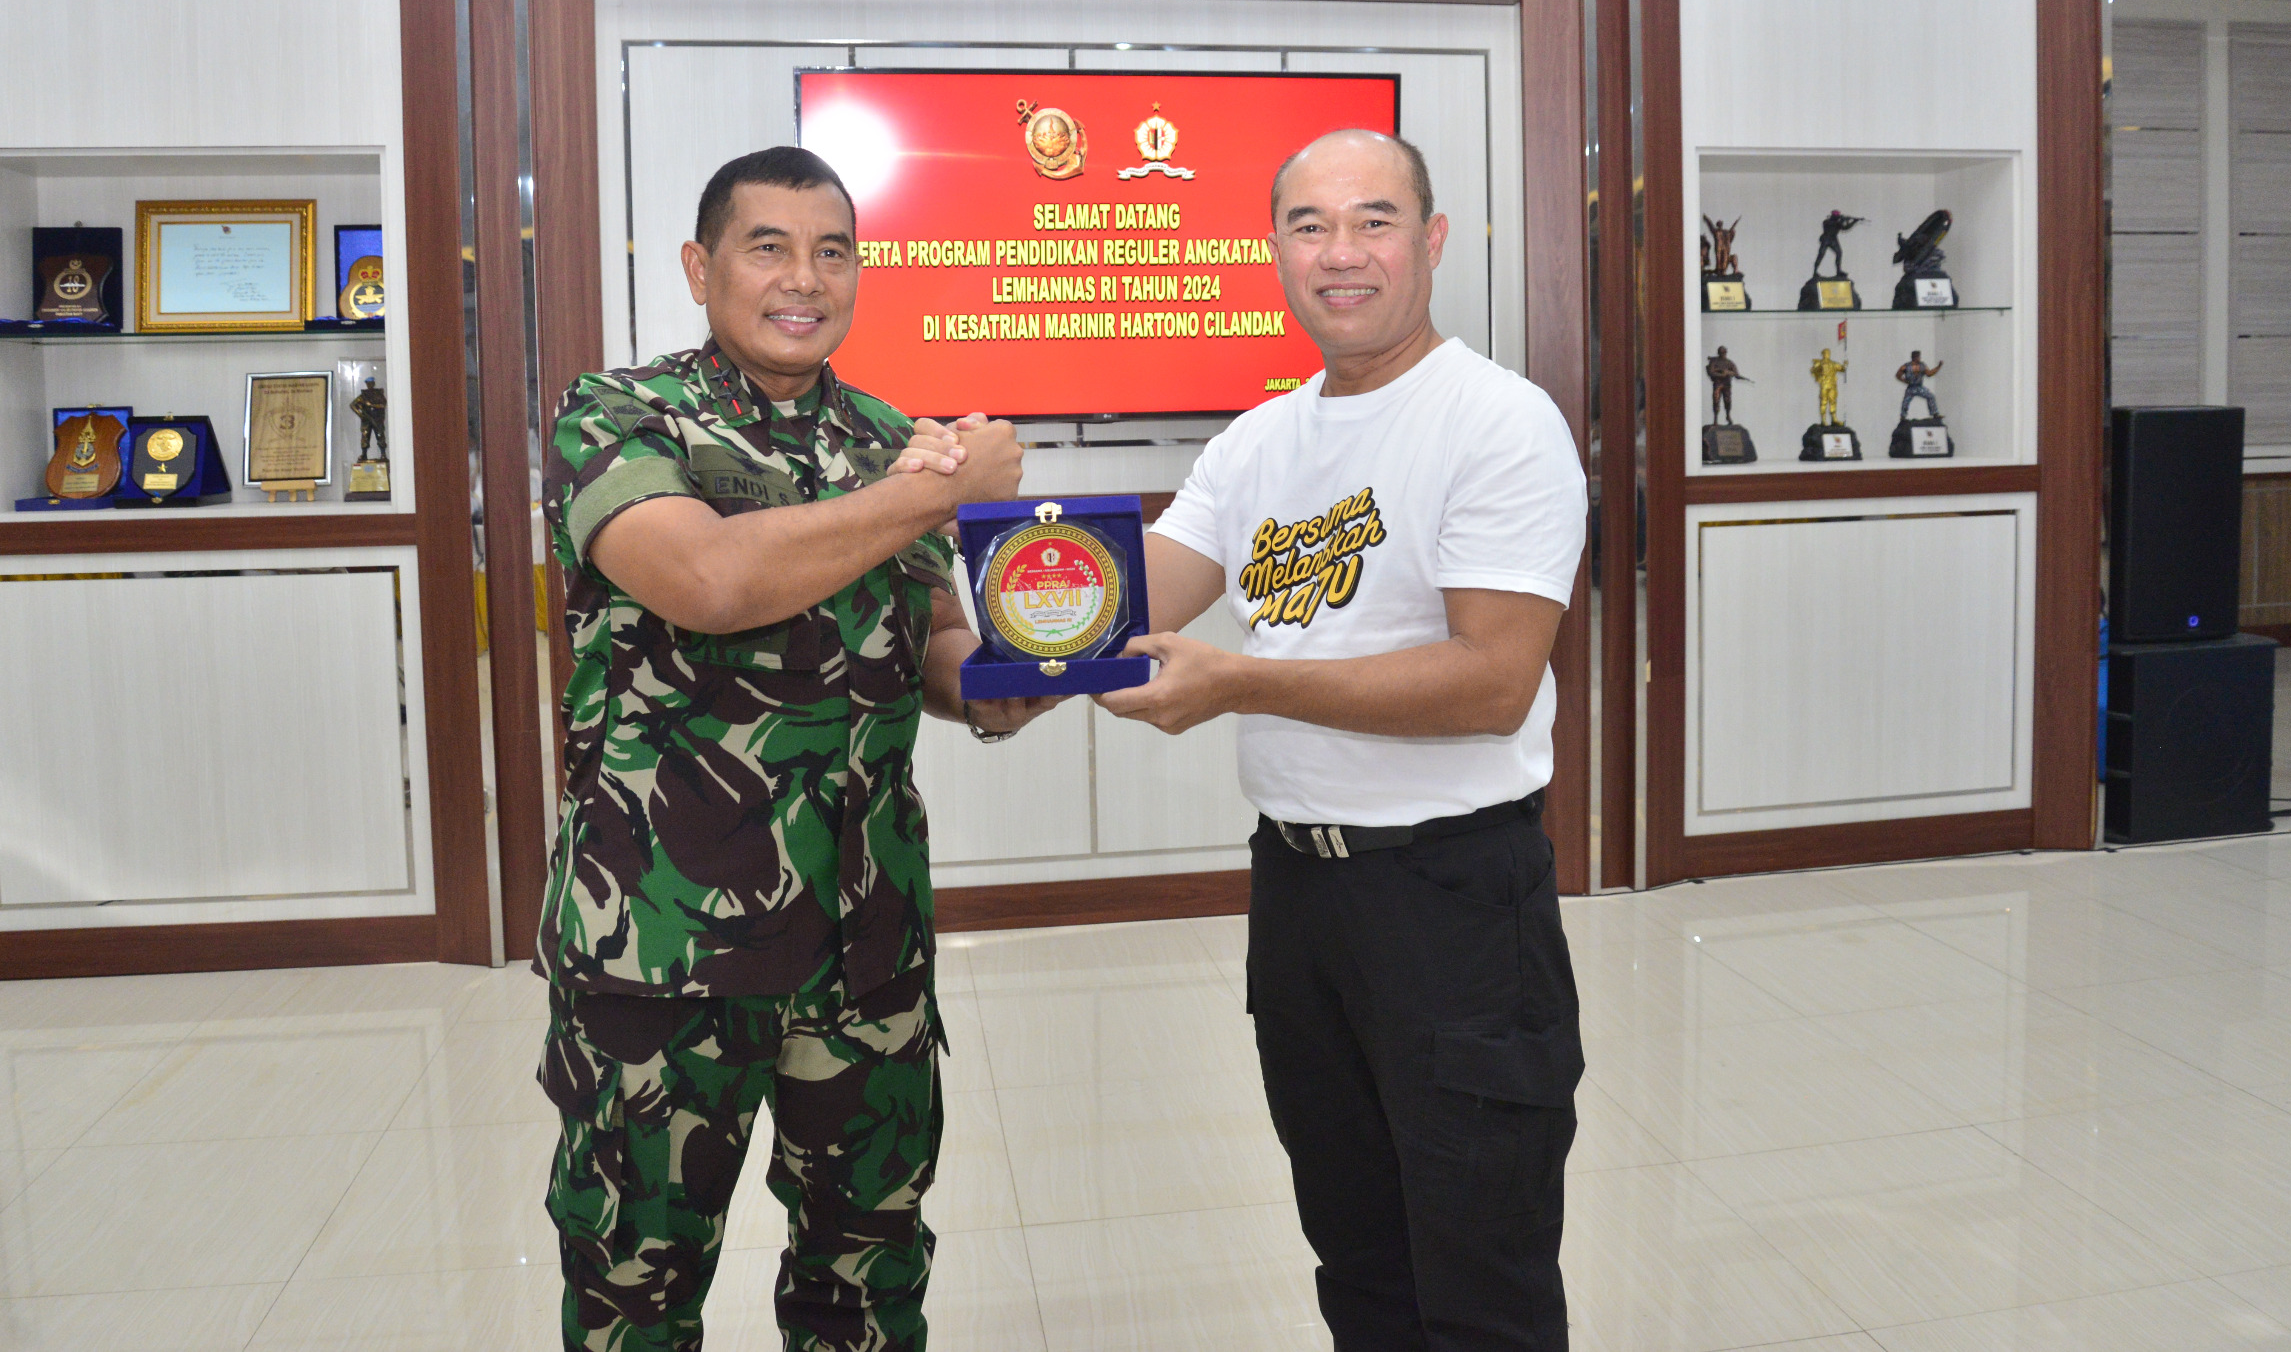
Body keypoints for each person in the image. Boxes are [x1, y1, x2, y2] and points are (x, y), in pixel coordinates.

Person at [534, 145, 1055, 1352]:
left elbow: (934, 642)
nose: (803, 278)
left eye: (832, 251)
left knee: (865, 1278)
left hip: (864, 942)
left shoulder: (887, 437)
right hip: (662, 949)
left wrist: (1008, 683)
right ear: (698, 266)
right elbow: (707, 580)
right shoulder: (619, 415)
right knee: (634, 1294)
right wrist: (933, 491)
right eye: (767, 247)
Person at [1099, 129, 1588, 1350]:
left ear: (1432, 240)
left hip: (1452, 899)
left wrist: (1242, 683)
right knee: (1358, 1258)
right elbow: (1124, 602)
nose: (1341, 252)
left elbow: (1492, 681)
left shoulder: (1497, 421)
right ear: (1274, 250)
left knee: (1480, 1280)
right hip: (1298, 897)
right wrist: (961, 534)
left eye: (1374, 220)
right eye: (1309, 225)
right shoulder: (1258, 440)